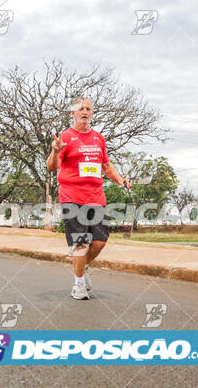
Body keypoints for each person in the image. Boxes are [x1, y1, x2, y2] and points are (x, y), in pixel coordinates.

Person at [47, 97, 131, 300]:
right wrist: (55, 150)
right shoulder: (66, 136)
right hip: (71, 196)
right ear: (73, 114)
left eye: (88, 109)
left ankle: (82, 268)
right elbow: (52, 166)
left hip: (96, 197)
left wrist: (120, 180)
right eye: (80, 109)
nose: (84, 111)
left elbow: (106, 166)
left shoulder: (98, 138)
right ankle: (78, 285)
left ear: (92, 113)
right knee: (81, 243)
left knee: (100, 242)